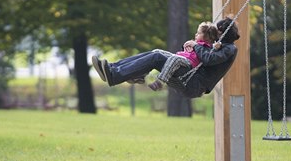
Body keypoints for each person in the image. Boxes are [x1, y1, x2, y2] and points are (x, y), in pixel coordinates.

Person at [92, 17, 240, 99]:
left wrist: (195, 45)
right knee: (157, 52)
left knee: (157, 57)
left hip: (193, 83)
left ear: (222, 32)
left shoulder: (229, 49)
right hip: (190, 78)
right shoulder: (220, 46)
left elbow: (208, 59)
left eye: (218, 32)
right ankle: (115, 69)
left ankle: (114, 75)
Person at [147, 22, 219, 91]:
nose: (196, 34)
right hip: (180, 56)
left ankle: (160, 82)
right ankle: (142, 73)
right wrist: (186, 46)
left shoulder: (207, 47)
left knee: (175, 59)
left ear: (207, 36)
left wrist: (215, 46)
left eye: (199, 33)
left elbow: (207, 54)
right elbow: (186, 50)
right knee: (157, 51)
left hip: (189, 63)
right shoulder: (195, 43)